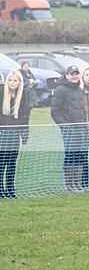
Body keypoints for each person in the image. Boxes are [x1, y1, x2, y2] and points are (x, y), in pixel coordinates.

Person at [50, 65, 87, 193]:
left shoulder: (80, 90)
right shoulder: (60, 90)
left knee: (80, 156)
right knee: (70, 155)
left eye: (76, 74)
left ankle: (78, 183)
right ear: (67, 76)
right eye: (72, 74)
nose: (74, 76)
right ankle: (70, 185)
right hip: (69, 130)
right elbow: (55, 112)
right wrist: (66, 126)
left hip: (81, 129)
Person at [0, 71, 30, 199]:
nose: (12, 83)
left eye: (15, 81)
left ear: (19, 82)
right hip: (3, 134)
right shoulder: (1, 93)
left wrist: (25, 133)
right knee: (2, 163)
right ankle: (0, 190)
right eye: (10, 80)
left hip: (15, 135)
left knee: (12, 163)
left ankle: (10, 189)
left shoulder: (24, 95)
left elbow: (25, 116)